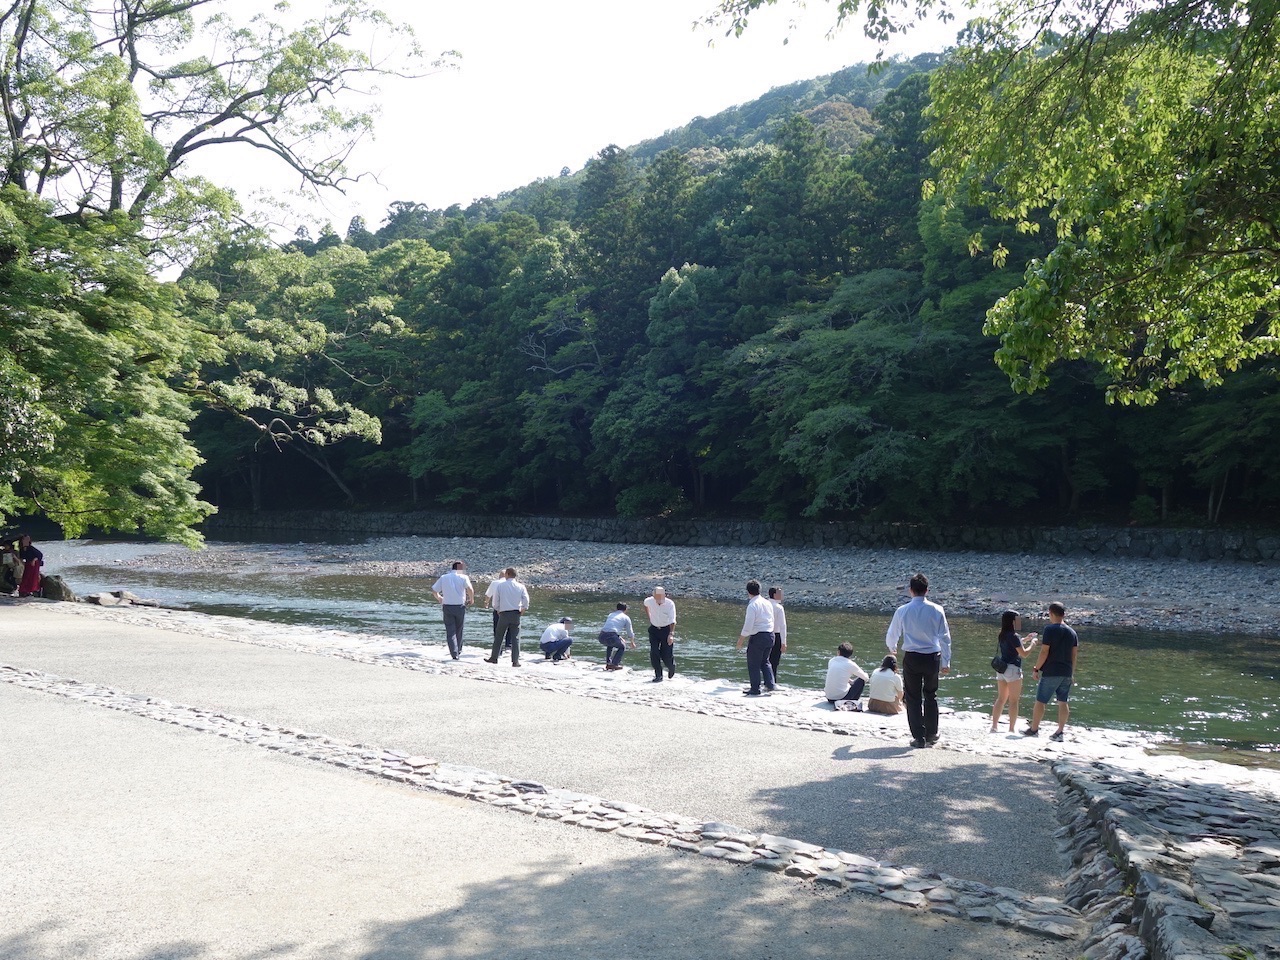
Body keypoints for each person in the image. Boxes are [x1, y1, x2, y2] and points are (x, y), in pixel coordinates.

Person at [885, 572, 952, 748]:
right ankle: (932, 733)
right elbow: (945, 637)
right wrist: (946, 661)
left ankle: (918, 737)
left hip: (912, 656)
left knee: (913, 697)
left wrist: (892, 647)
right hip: (932, 657)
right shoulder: (937, 610)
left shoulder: (903, 610)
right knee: (931, 695)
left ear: (910, 590)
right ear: (927, 590)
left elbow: (893, 633)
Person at [1025, 602, 1079, 742]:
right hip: (1066, 672)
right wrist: (1072, 673)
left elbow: (1044, 651)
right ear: (1063, 614)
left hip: (1051, 671)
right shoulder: (1072, 632)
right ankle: (1060, 731)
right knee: (1063, 701)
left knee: (1041, 701)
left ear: (1051, 613)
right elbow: (1074, 655)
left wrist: (1036, 668)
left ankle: (1034, 729)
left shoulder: (1050, 629)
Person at [990, 610, 1038, 733]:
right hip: (1013, 670)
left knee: (1001, 699)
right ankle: (1011, 728)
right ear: (1012, 621)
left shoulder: (1002, 634)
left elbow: (1013, 647)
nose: (1019, 622)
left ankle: (994, 726)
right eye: (1017, 620)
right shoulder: (1014, 636)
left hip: (1002, 670)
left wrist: (1026, 639)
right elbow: (1024, 654)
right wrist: (1033, 644)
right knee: (1014, 701)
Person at [735, 579, 776, 696]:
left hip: (758, 637)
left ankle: (755, 688)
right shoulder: (767, 603)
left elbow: (748, 626)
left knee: (753, 663)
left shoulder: (752, 605)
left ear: (748, 592)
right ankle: (770, 684)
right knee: (765, 661)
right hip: (770, 635)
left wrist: (740, 640)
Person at [485, 567, 529, 666]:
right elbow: (526, 599)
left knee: (499, 636)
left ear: (507, 574)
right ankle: (515, 661)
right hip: (516, 613)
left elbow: (496, 600)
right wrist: (523, 609)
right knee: (515, 638)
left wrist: (498, 609)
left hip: (504, 613)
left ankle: (494, 657)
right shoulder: (521, 586)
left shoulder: (501, 586)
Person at [432, 560, 474, 660]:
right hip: (460, 606)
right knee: (459, 629)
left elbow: (434, 590)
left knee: (450, 631)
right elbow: (470, 589)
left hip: (447, 606)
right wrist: (471, 599)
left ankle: (454, 653)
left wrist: (439, 598)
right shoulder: (464, 577)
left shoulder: (444, 577)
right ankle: (458, 650)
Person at [642, 586, 677, 683]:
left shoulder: (670, 604)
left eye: (661, 597)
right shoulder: (649, 601)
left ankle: (671, 666)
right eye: (657, 597)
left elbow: (672, 620)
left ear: (664, 595)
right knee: (654, 652)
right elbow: (645, 605)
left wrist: (671, 634)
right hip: (654, 629)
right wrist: (649, 616)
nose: (659, 600)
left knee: (666, 655)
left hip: (666, 630)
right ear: (653, 596)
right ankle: (658, 675)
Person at [824, 641, 869, 708]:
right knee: (861, 680)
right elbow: (866, 678)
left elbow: (837, 675)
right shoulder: (850, 664)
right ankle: (853, 701)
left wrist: (850, 681)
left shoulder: (832, 661)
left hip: (829, 697)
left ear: (838, 652)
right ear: (850, 654)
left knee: (851, 682)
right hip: (841, 699)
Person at [598, 602, 636, 670]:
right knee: (622, 646)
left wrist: (619, 637)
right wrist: (632, 642)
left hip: (601, 636)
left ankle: (608, 663)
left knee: (610, 644)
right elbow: (630, 632)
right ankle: (614, 664)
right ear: (625, 609)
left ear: (616, 608)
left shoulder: (611, 614)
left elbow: (610, 628)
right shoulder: (626, 618)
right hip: (611, 636)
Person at [767, 586, 788, 682]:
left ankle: (765, 681)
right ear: (774, 595)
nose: (782, 595)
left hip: (765, 634)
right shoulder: (779, 608)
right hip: (776, 635)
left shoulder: (764, 604)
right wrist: (784, 642)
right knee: (774, 662)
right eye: (780, 593)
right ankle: (772, 682)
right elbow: (782, 626)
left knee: (764, 661)